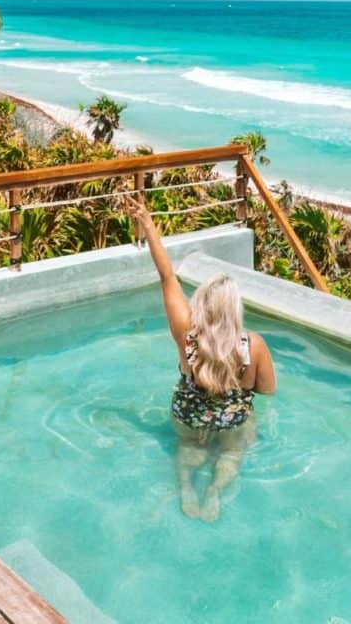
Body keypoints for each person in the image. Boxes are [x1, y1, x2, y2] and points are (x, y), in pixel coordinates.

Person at [125, 194, 276, 521]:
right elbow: (267, 391)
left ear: (203, 305)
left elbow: (167, 277)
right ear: (235, 311)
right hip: (231, 420)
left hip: (189, 414)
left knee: (188, 449)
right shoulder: (256, 345)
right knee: (232, 453)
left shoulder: (187, 336)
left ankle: (186, 487)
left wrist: (147, 223)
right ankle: (215, 491)